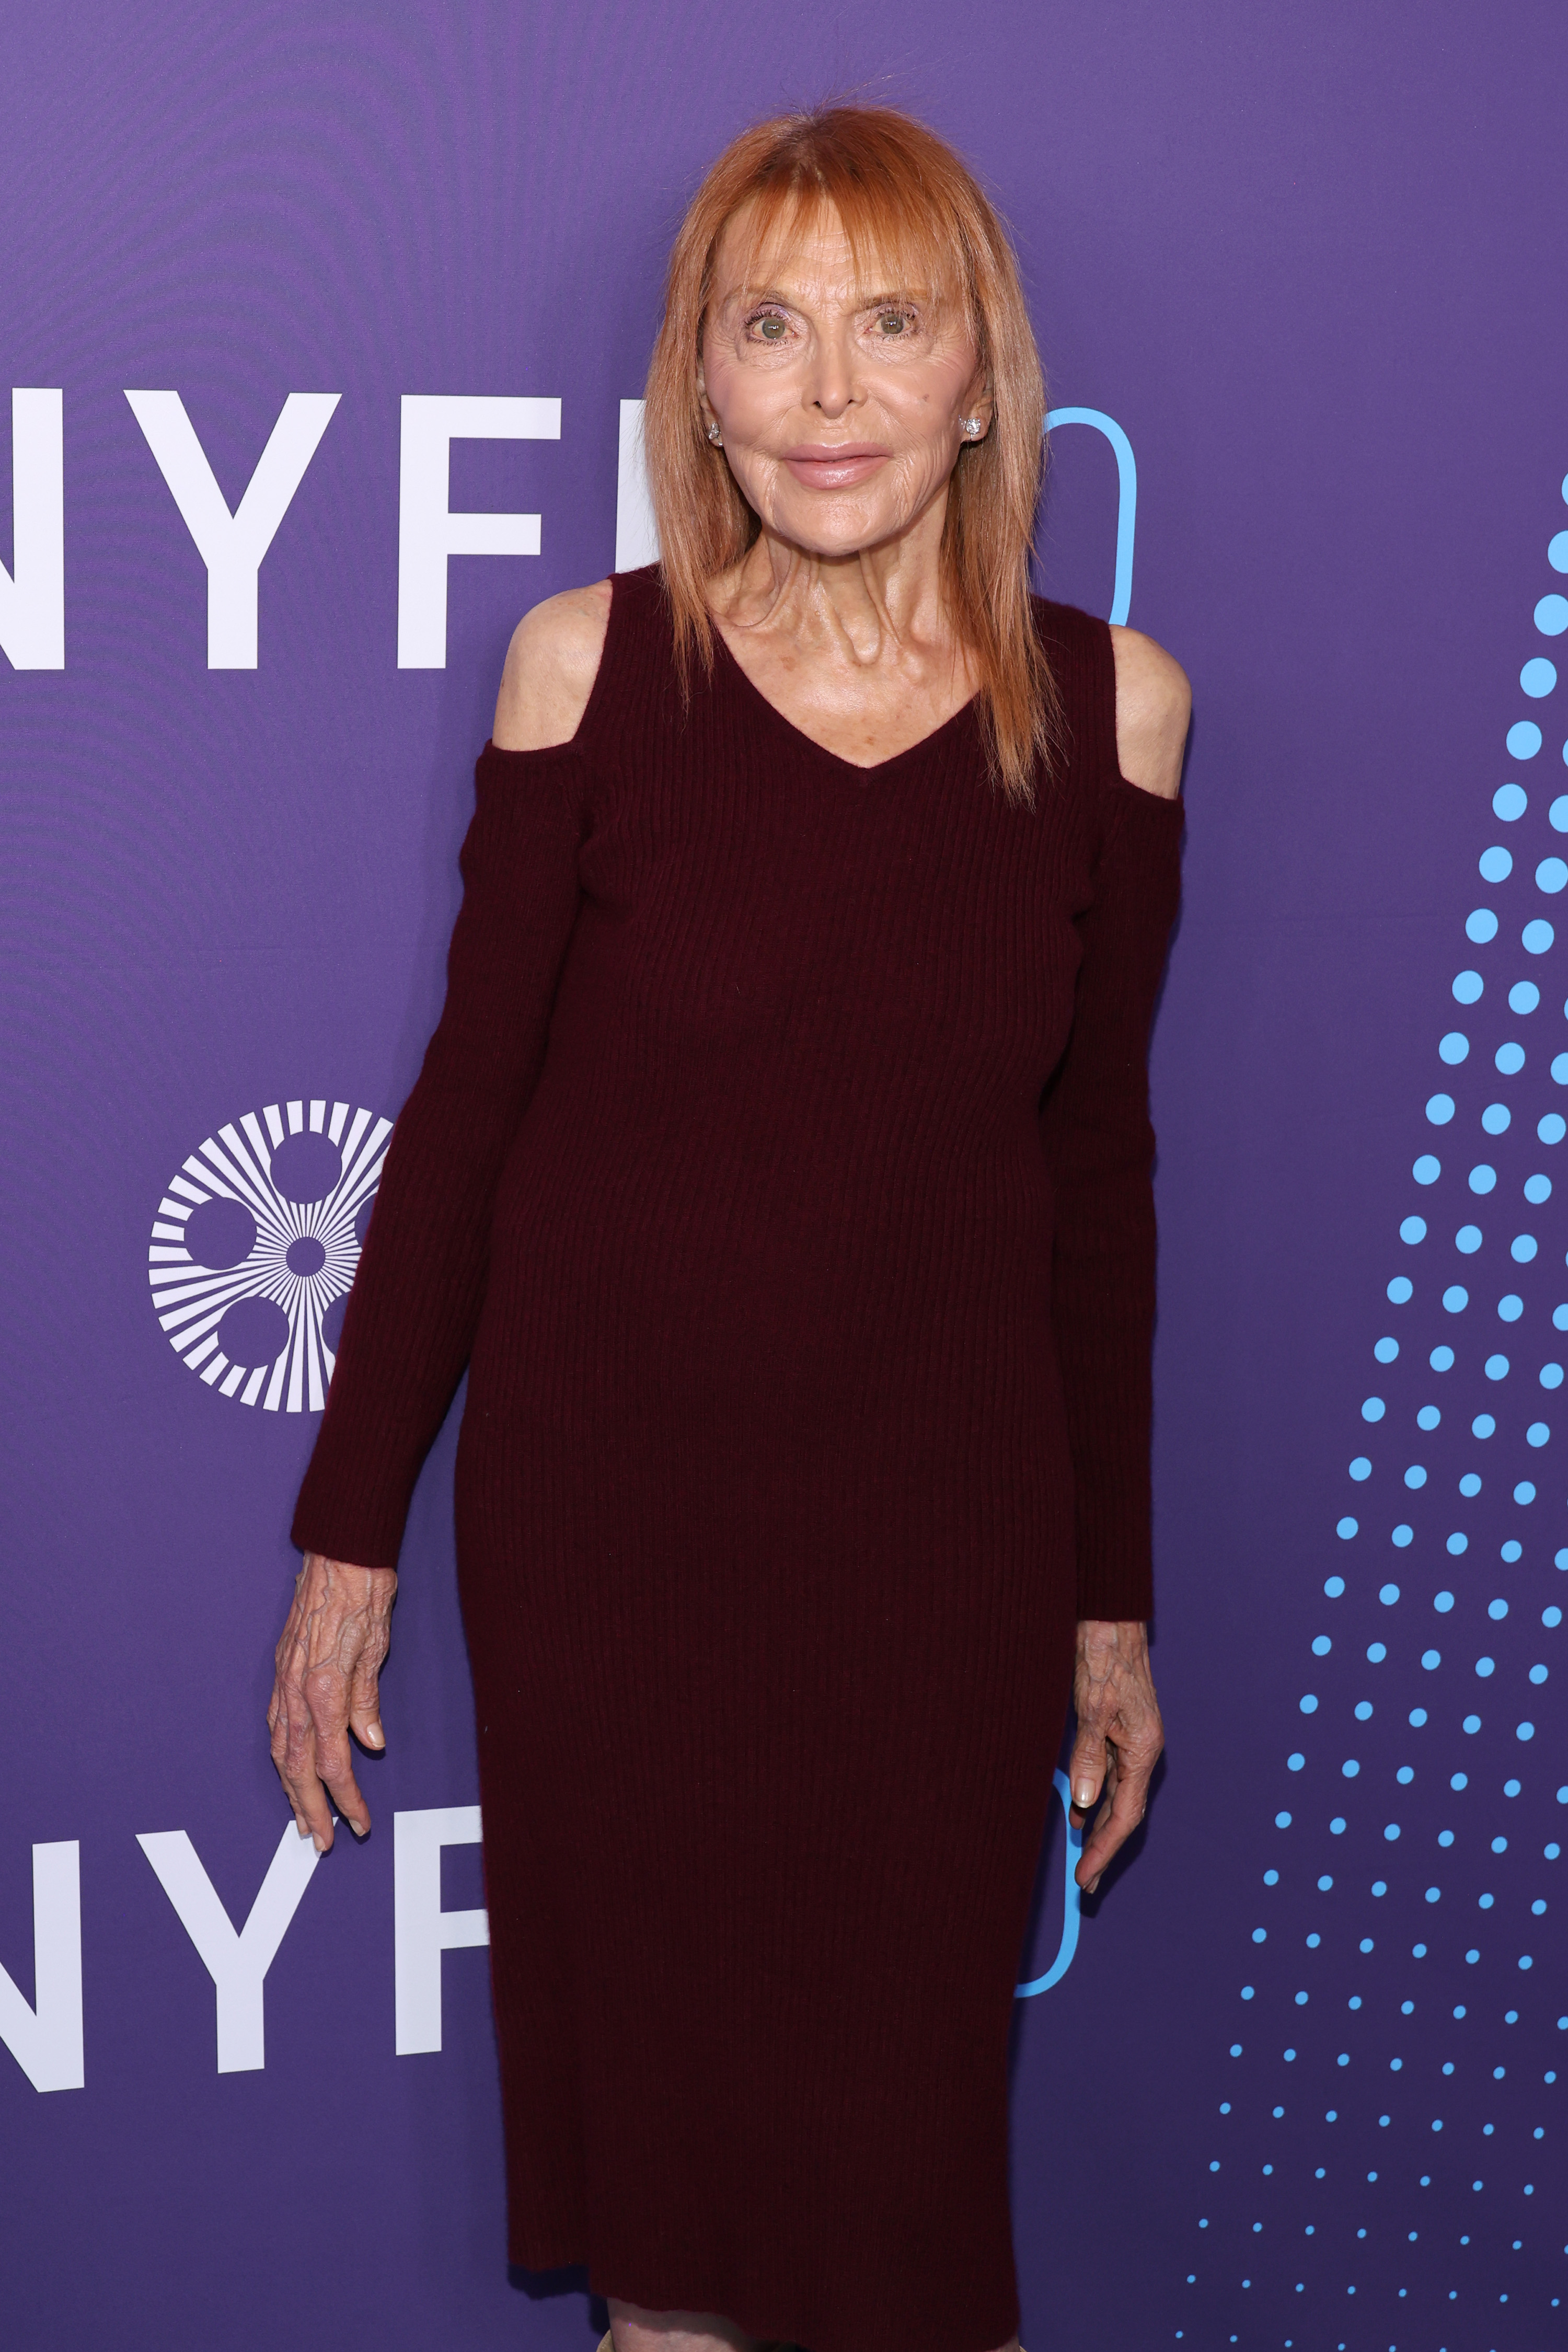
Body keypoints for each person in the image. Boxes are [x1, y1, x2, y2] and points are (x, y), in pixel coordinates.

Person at [270, 102, 1189, 2352]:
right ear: (698, 384)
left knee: (902, 2238)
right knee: (668, 2251)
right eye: (770, 329)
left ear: (986, 375)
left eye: (893, 325)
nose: (833, 392)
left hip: (935, 1561)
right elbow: (466, 1126)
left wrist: (1108, 1611)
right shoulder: (582, 672)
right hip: (619, 1554)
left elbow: (1096, 1190)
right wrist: (347, 1536)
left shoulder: (1119, 714)